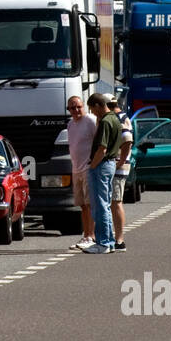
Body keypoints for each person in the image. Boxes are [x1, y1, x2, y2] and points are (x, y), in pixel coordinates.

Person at [82, 93, 122, 254]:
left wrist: (92, 165)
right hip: (110, 164)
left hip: (102, 165)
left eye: (92, 109)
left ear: (98, 105)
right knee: (104, 203)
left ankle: (103, 243)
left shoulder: (105, 121)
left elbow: (102, 148)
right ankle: (109, 242)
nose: (92, 113)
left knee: (99, 206)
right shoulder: (115, 119)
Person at [64, 95, 97, 250]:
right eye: (72, 107)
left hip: (89, 168)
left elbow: (99, 141)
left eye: (78, 106)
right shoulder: (70, 124)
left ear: (84, 106)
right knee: (82, 205)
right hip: (76, 168)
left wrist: (95, 163)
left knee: (90, 204)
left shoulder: (90, 120)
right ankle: (86, 235)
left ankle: (92, 236)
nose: (76, 110)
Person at [107, 97, 134, 252]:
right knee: (112, 202)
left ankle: (119, 239)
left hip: (118, 167)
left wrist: (120, 161)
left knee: (116, 202)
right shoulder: (117, 117)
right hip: (115, 165)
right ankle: (113, 237)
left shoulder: (121, 118)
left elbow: (127, 141)